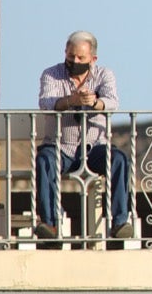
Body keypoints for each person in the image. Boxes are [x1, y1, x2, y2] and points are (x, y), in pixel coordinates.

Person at [34, 31, 133, 241]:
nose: (75, 62)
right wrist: (71, 100)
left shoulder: (105, 75)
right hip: (61, 146)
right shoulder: (51, 74)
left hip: (95, 146)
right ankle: (48, 224)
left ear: (93, 59)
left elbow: (113, 102)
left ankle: (120, 222)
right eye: (71, 57)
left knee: (119, 160)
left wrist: (94, 102)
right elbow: (46, 103)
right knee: (44, 160)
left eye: (81, 58)